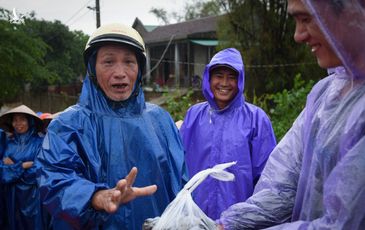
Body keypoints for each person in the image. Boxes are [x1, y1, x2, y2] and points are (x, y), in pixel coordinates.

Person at [218, 0, 365, 229]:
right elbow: (283, 186)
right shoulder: (325, 96)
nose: (297, 35)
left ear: (351, 11)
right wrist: (225, 225)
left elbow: (346, 223)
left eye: (306, 19)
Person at [36, 23, 188, 230]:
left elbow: (180, 180)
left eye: (129, 62)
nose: (120, 72)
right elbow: (53, 178)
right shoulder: (68, 125)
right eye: (108, 62)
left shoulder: (160, 120)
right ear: (92, 68)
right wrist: (95, 196)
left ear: (140, 69)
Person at [179, 48, 277, 220]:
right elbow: (178, 165)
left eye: (232, 77)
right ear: (209, 78)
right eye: (219, 76)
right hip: (195, 217)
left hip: (237, 220)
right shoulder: (194, 116)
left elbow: (267, 178)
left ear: (240, 80)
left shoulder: (256, 119)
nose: (224, 83)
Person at [0, 105, 48, 230]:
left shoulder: (39, 142)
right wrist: (22, 166)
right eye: (15, 120)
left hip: (32, 197)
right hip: (11, 196)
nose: (18, 123)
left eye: (22, 119)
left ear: (30, 121)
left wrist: (13, 168)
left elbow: (39, 169)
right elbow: (2, 171)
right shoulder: (9, 143)